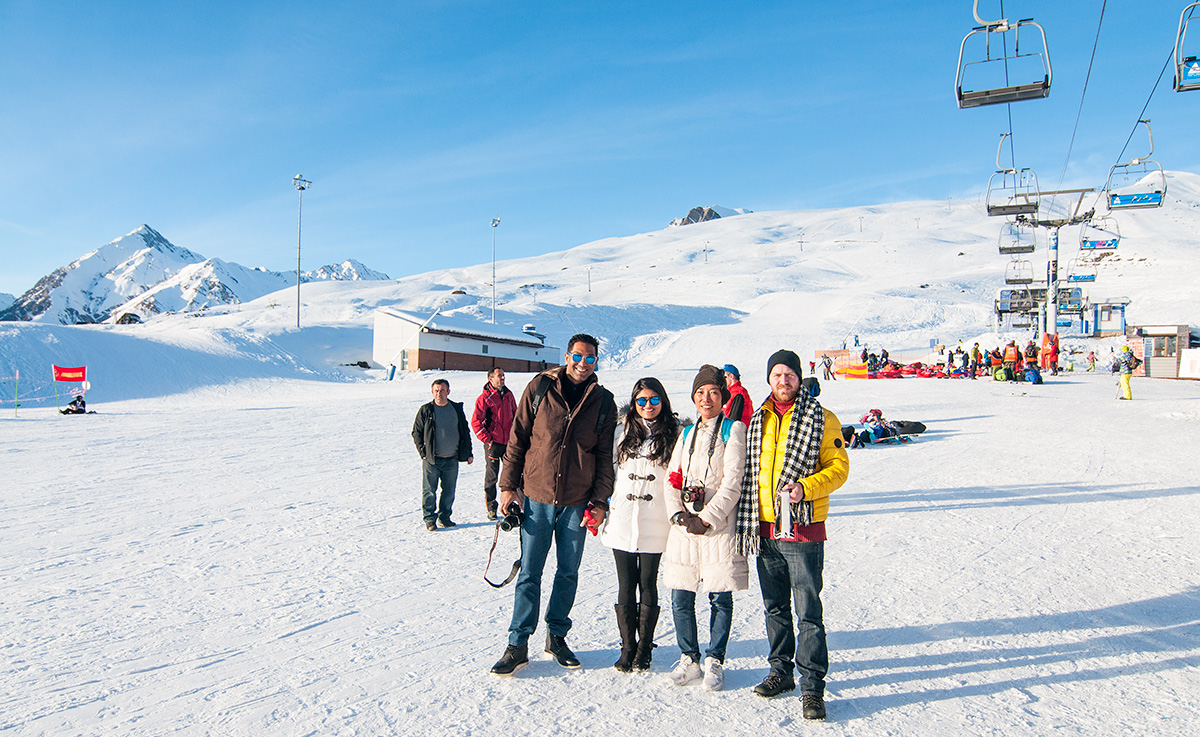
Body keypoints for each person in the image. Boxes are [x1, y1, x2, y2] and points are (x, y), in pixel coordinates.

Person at [490, 333, 618, 676]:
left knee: (568, 572)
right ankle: (517, 644)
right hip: (536, 497)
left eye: (590, 358)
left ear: (596, 362)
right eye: (578, 356)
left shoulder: (603, 401)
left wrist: (600, 500)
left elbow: (605, 457)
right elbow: (517, 438)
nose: (583, 363)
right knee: (530, 573)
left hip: (577, 502)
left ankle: (557, 636)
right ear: (566, 355)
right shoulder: (540, 387)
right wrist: (507, 487)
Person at [736, 350, 849, 721]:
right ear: (768, 379)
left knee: (808, 613)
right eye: (776, 375)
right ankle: (780, 671)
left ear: (799, 378)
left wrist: (805, 487)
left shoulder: (823, 418)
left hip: (802, 531)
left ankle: (812, 687)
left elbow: (838, 469)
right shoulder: (758, 419)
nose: (783, 381)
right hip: (765, 529)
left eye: (789, 375)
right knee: (775, 608)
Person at [662, 365, 748, 692]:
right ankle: (689, 658)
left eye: (712, 392)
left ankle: (715, 659)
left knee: (719, 597)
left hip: (718, 527)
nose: (706, 398)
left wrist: (707, 517)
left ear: (722, 396)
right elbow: (672, 479)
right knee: (681, 596)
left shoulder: (732, 430)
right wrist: (678, 516)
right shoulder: (686, 434)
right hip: (685, 527)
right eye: (700, 393)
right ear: (694, 398)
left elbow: (733, 482)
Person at [600, 377, 680, 673]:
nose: (648, 406)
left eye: (654, 400)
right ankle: (627, 647)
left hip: (656, 519)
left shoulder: (676, 435)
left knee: (647, 582)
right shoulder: (621, 433)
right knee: (625, 584)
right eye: (642, 400)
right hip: (622, 517)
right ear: (634, 403)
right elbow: (607, 471)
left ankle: (644, 647)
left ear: (663, 401)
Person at [412, 379, 474, 531]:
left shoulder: (455, 409)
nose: (439, 393)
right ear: (432, 392)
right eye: (436, 391)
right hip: (432, 459)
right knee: (429, 491)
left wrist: (468, 453)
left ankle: (444, 517)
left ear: (448, 392)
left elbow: (464, 432)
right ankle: (429, 519)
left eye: (442, 390)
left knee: (449, 491)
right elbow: (416, 433)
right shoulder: (426, 410)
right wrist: (423, 452)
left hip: (451, 459)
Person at [471, 367, 518, 521]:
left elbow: (516, 415)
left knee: (513, 473)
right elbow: (476, 422)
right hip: (494, 443)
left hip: (509, 442)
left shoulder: (509, 395)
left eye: (504, 375)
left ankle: (513, 505)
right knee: (492, 476)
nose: (502, 378)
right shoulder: (484, 398)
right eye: (499, 376)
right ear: (490, 379)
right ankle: (492, 507)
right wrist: (488, 439)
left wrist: (516, 436)